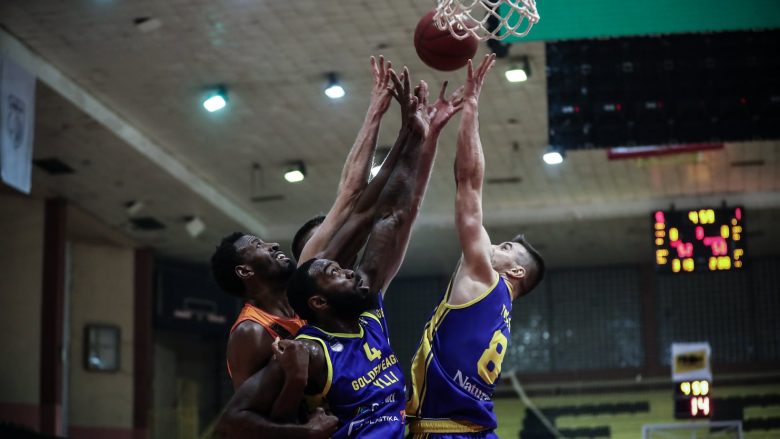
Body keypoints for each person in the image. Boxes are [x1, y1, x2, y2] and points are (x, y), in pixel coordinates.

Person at [219, 66, 467, 438]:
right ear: (318, 298)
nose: (347, 265)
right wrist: (298, 400)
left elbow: (390, 212)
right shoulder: (266, 332)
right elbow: (243, 421)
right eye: (334, 267)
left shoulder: (362, 303)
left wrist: (416, 134)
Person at [211, 56, 399, 391]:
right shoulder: (251, 332)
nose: (272, 244)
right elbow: (244, 415)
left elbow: (350, 194)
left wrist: (376, 111)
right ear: (244, 271)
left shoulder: (308, 287)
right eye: (257, 245)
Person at [406, 54, 547, 438]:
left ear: (515, 271)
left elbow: (468, 182)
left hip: (444, 431)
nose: (494, 245)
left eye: (506, 247)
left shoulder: (485, 278)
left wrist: (472, 106)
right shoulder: (501, 310)